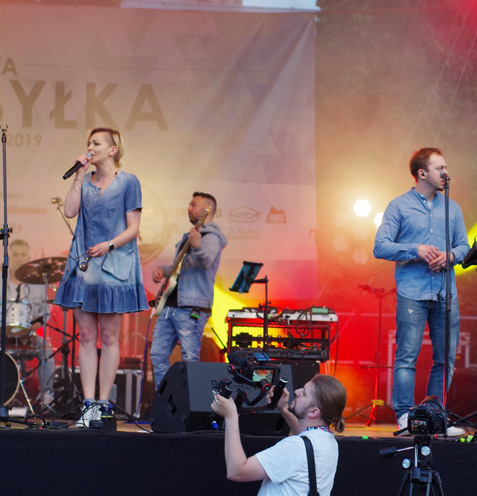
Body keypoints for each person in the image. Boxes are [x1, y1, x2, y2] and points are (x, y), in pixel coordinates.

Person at [54, 127, 148, 427]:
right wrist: (79, 174)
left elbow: (133, 228)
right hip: (83, 265)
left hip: (113, 266)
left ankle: (103, 402)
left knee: (108, 336)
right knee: (86, 336)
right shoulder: (85, 182)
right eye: (88, 143)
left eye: (96, 143)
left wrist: (109, 244)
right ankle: (88, 404)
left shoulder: (128, 182)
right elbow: (70, 212)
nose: (90, 147)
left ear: (112, 149)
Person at [373, 147, 469, 437]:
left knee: (445, 359)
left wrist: (450, 256)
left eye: (446, 167)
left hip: (445, 293)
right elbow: (380, 246)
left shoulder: (452, 208)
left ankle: (435, 416)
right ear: (422, 173)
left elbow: (464, 246)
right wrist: (415, 249)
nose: (446, 172)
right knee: (407, 357)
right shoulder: (398, 206)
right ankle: (405, 416)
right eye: (440, 168)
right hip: (412, 292)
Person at [210, 374, 347, 496]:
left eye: (304, 393)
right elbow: (306, 443)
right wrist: (283, 408)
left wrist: (231, 417)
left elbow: (237, 472)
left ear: (313, 412)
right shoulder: (328, 440)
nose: (297, 391)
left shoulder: (295, 447)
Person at [150, 192, 227, 389]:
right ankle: (165, 399)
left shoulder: (212, 237)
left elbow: (206, 261)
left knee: (190, 357)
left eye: (193, 204)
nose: (188, 208)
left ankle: (190, 401)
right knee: (157, 354)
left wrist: (197, 245)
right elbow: (183, 268)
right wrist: (163, 270)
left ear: (207, 209)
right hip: (171, 306)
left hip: (191, 306)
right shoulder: (192, 235)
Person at [6, 239, 55, 410]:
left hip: (28, 335)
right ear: (9, 256)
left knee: (46, 349)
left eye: (22, 255)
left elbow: (46, 313)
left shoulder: (37, 284)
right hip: (2, 336)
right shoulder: (1, 281)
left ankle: (47, 397)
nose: (19, 258)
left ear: (28, 258)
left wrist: (37, 324)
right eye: (15, 254)